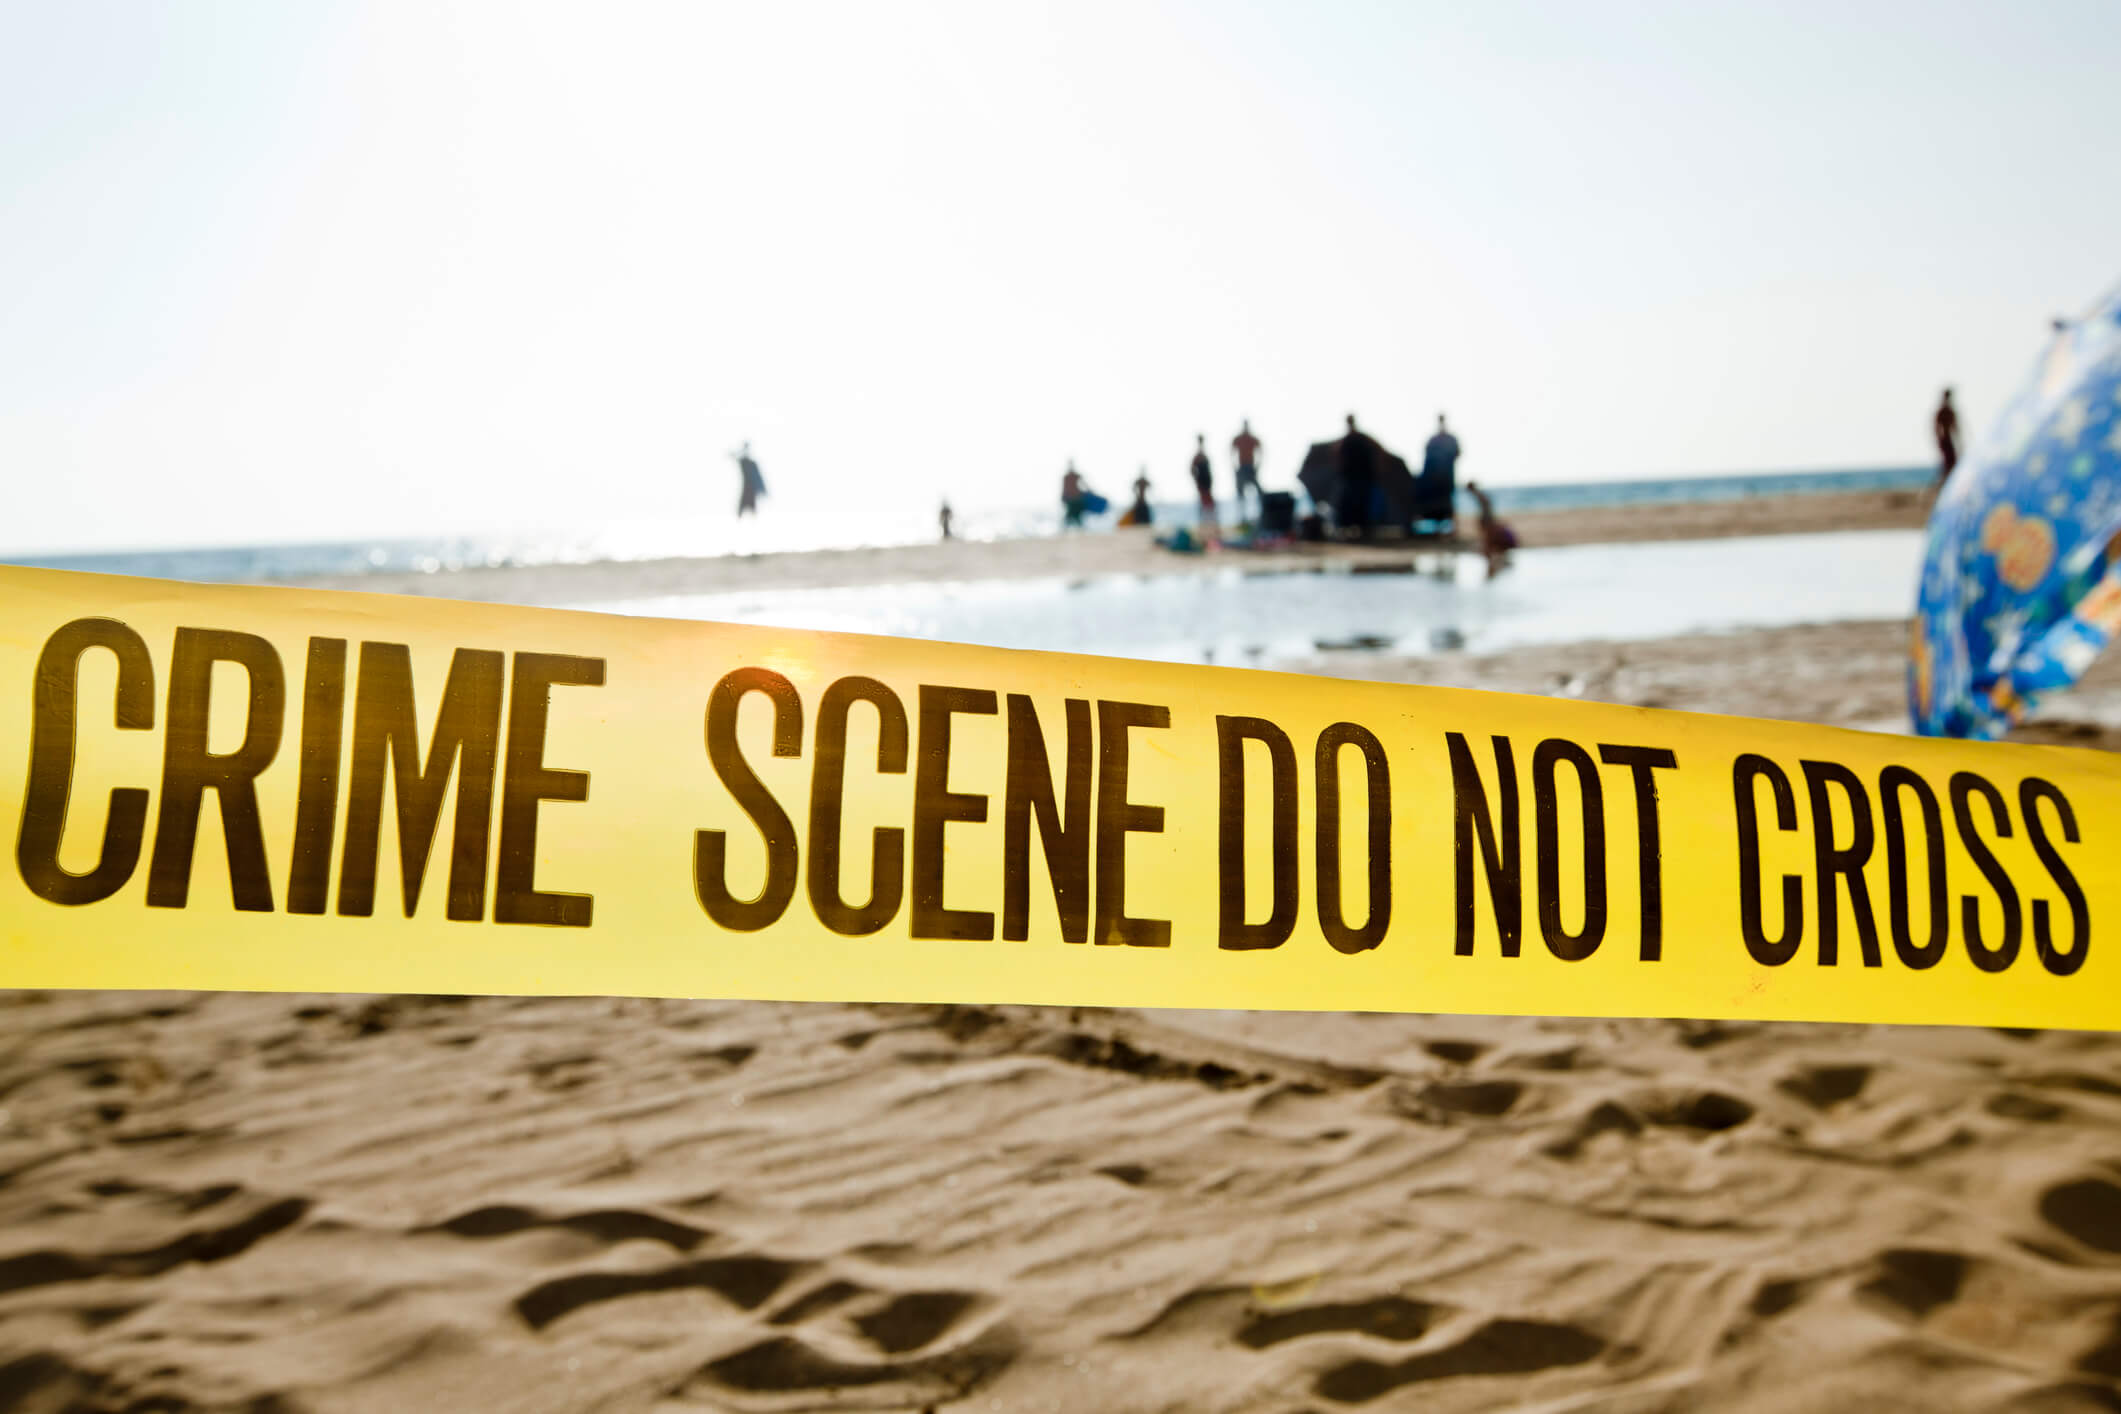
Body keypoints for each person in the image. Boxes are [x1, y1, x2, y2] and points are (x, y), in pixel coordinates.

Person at [1465, 479, 1515, 579]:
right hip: (1487, 520)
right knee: (1487, 542)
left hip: (1487, 520)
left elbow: (1486, 508)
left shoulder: (1479, 495)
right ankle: (1493, 560)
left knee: (1488, 542)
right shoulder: (1481, 495)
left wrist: (1485, 520)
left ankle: (1492, 560)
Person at [1337, 414, 1376, 538]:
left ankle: (1362, 528)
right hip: (1354, 477)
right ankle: (1357, 528)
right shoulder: (1355, 439)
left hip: (1359, 477)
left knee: (1359, 503)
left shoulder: (1354, 439)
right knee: (1354, 503)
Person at [1231, 420, 1262, 521]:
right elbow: (1231, 452)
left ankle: (1260, 515)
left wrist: (1258, 465)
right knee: (1240, 494)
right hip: (1242, 467)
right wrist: (1234, 466)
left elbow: (1261, 450)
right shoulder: (1238, 439)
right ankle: (1242, 518)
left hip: (1250, 467)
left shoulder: (1252, 438)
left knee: (1259, 493)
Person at [1190, 434, 1218, 538]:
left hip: (1207, 483)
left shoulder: (1203, 455)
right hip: (1202, 484)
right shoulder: (1198, 456)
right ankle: (1204, 529)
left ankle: (1211, 528)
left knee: (1209, 505)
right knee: (1204, 505)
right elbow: (1192, 469)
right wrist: (1196, 481)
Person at [731, 442, 766, 517]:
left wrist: (762, 489)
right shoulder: (743, 462)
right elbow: (734, 456)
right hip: (746, 489)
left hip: (751, 490)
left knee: (751, 511)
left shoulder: (752, 463)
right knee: (741, 510)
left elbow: (758, 477)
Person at [1934, 388, 1960, 484]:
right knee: (1949, 462)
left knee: (1950, 462)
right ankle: (1943, 482)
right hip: (1945, 439)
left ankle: (1946, 481)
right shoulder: (1944, 410)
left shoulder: (1948, 410)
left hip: (1947, 439)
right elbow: (1937, 426)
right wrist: (1940, 438)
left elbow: (1954, 426)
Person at [1061, 460, 1088, 529]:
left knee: (1074, 517)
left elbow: (1085, 485)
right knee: (1072, 517)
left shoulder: (1074, 476)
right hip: (1072, 499)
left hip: (1076, 499)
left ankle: (1079, 530)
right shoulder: (1067, 477)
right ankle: (1066, 531)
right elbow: (1064, 488)